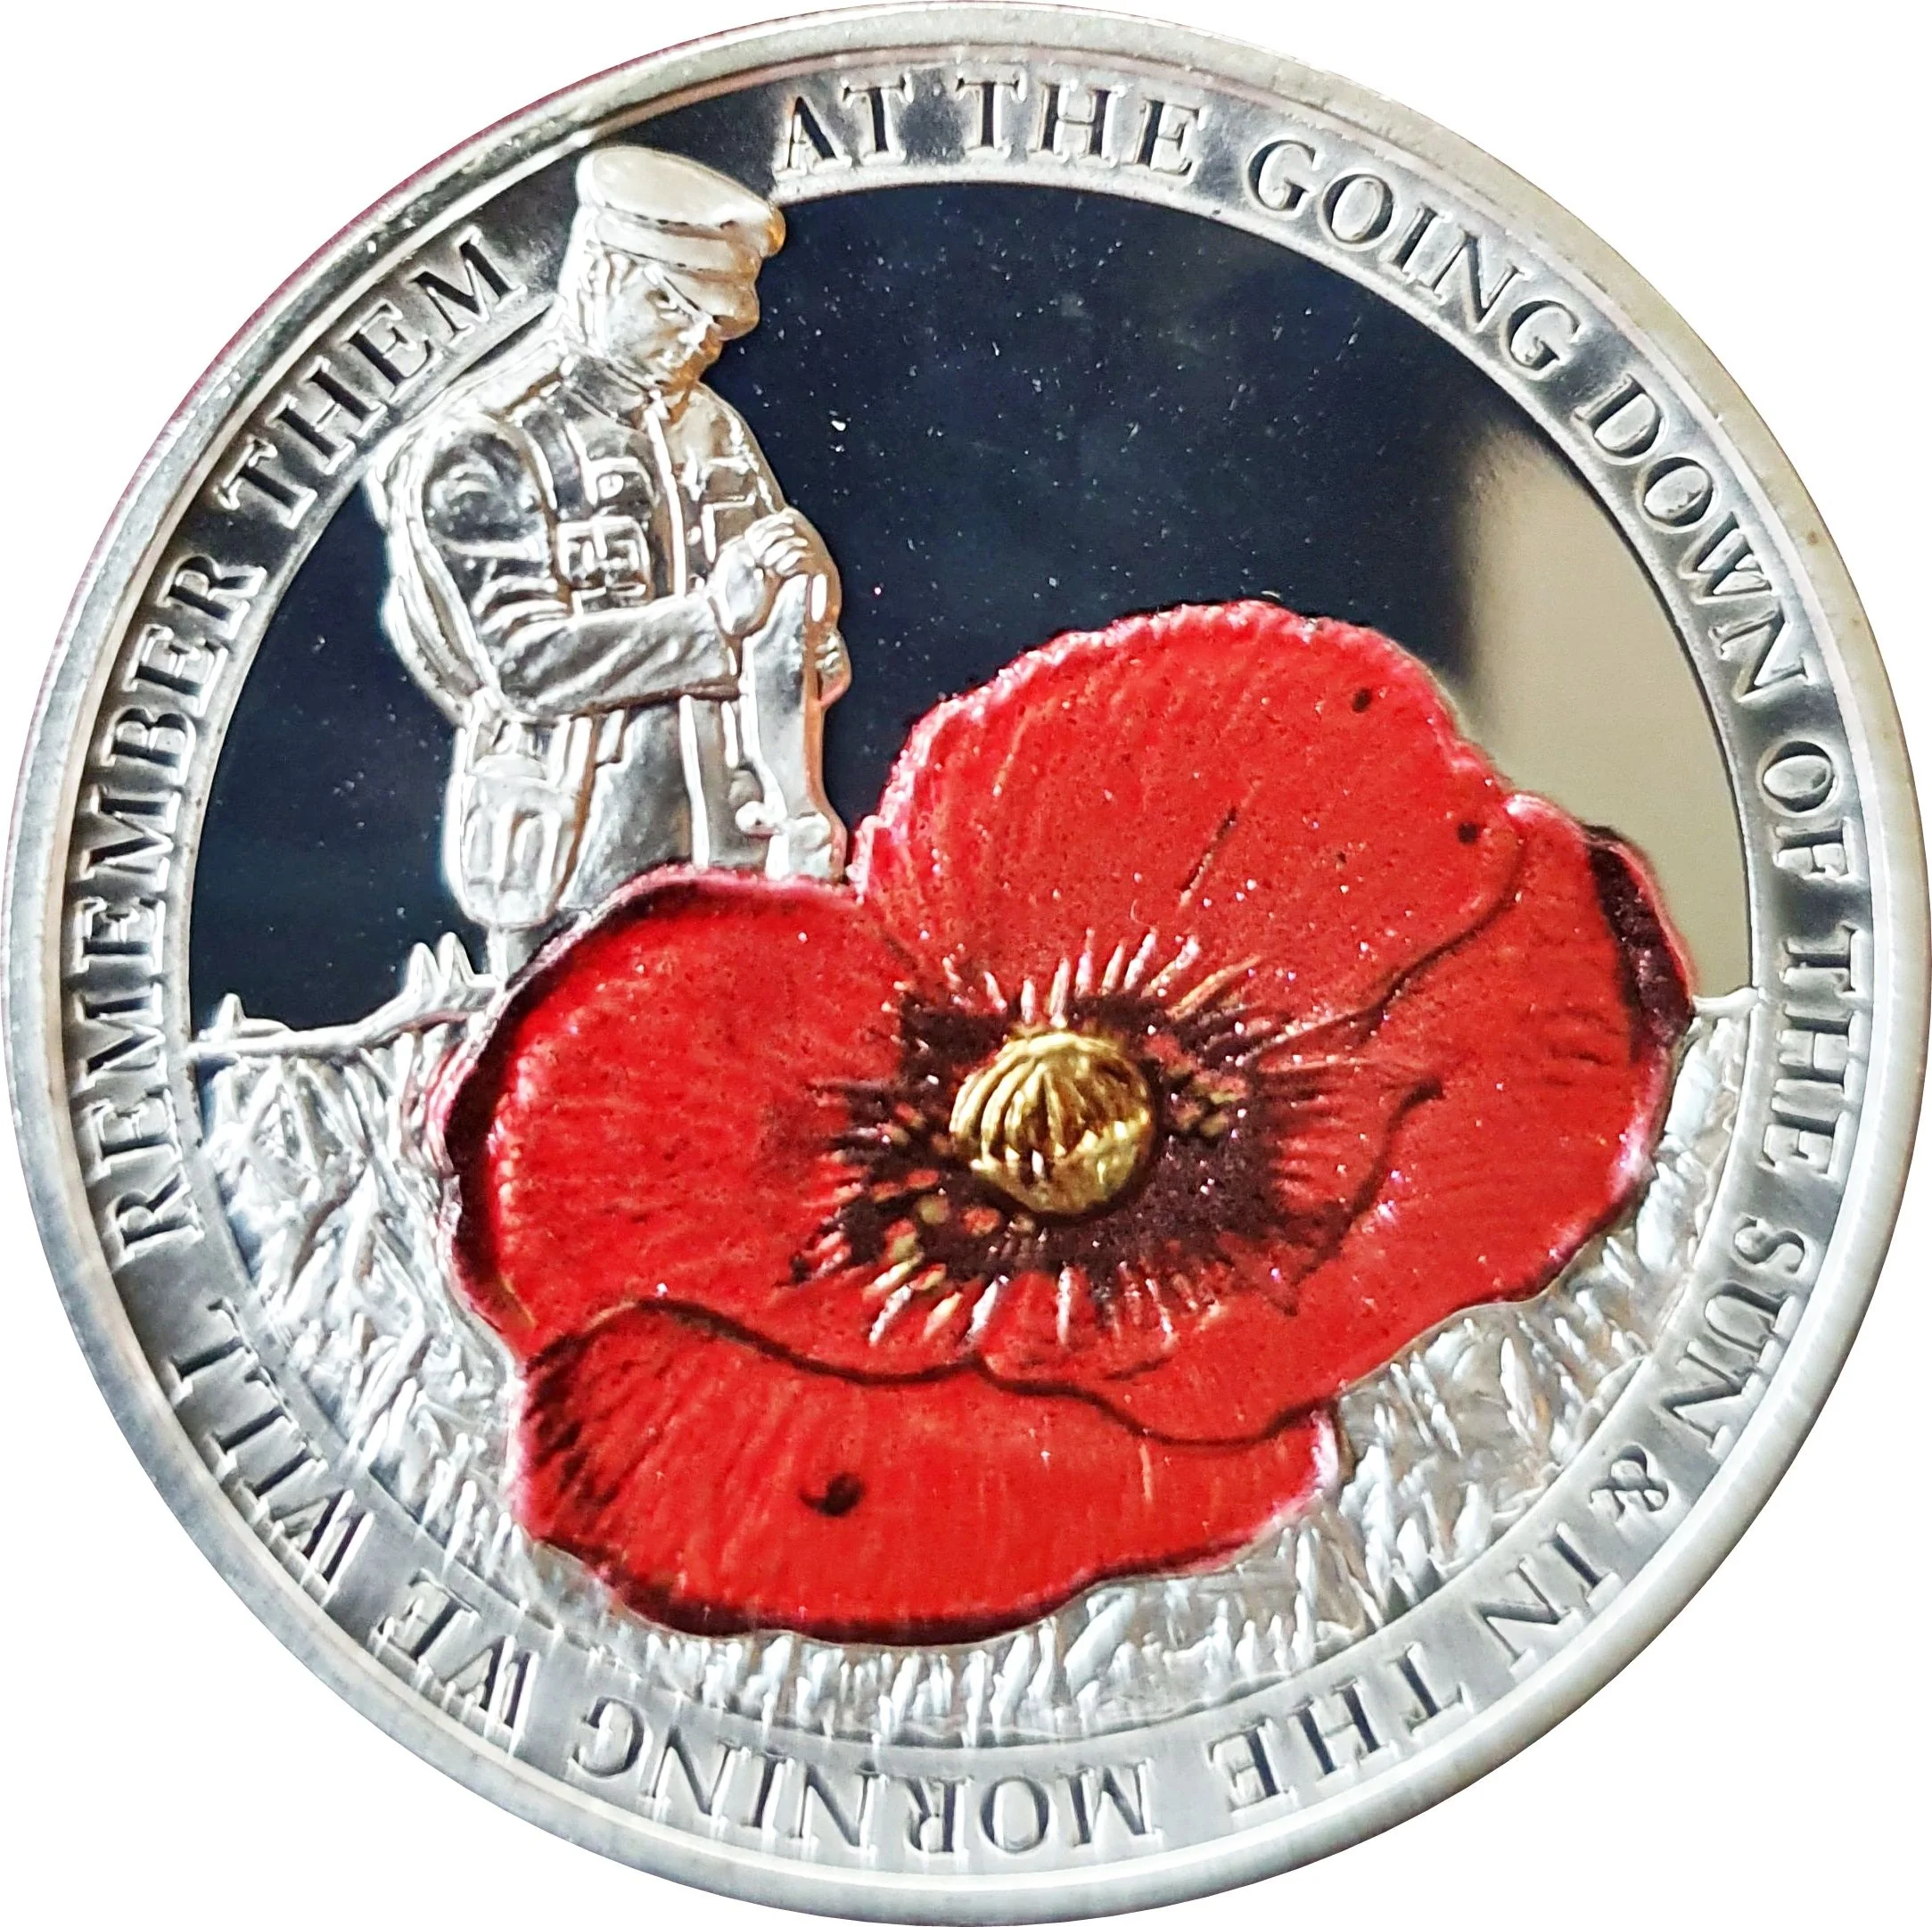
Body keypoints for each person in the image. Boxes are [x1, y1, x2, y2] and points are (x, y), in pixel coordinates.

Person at [366, 145, 850, 975]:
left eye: (717, 322)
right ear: (598, 275)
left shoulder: (711, 428)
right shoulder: (486, 444)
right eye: (672, 305)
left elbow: (789, 641)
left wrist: (810, 615)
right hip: (575, 858)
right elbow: (524, 666)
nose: (698, 340)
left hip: (735, 844)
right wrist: (715, 622)